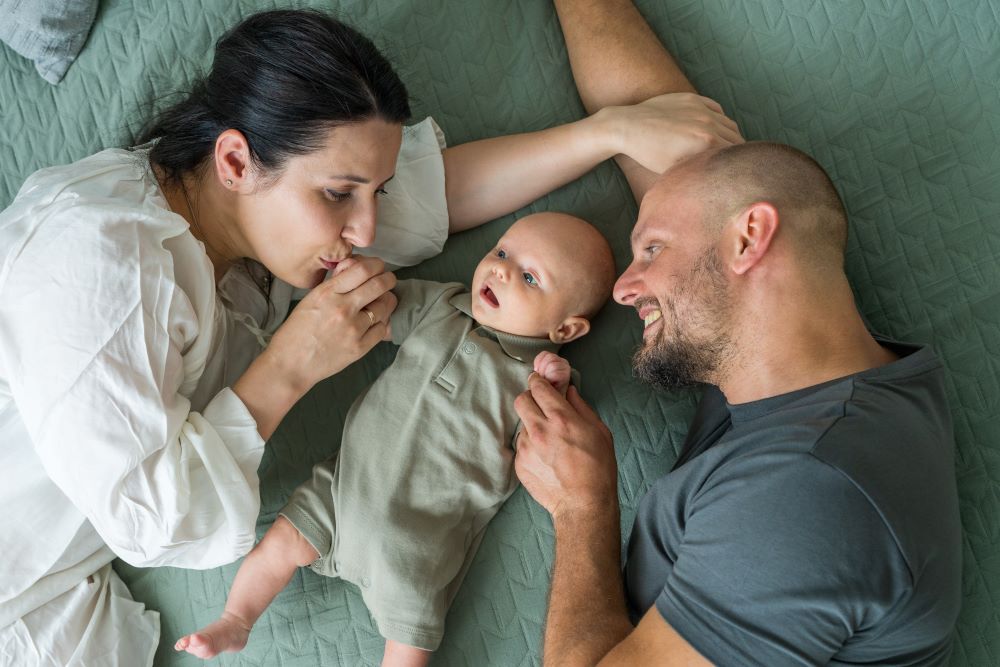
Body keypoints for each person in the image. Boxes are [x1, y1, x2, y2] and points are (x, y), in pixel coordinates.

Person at [0, 6, 741, 666]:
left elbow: (439, 194)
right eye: (338, 194)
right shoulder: (101, 264)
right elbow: (153, 522)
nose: (365, 230)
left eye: (373, 192)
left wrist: (608, 131)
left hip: (57, 571)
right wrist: (292, 365)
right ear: (234, 160)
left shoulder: (248, 226)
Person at [512, 2, 963, 665]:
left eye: (651, 249)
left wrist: (583, 506)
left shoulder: (810, 492)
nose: (623, 287)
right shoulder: (813, 362)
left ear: (750, 237)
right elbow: (661, 122)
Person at [174, 212, 614, 666]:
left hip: (419, 540)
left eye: (527, 276)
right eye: (502, 251)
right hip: (343, 489)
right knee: (277, 546)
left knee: (410, 635)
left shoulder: (534, 383)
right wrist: (351, 287)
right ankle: (235, 620)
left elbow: (544, 450)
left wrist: (556, 383)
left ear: (565, 330)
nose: (500, 269)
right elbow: (376, 314)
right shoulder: (443, 306)